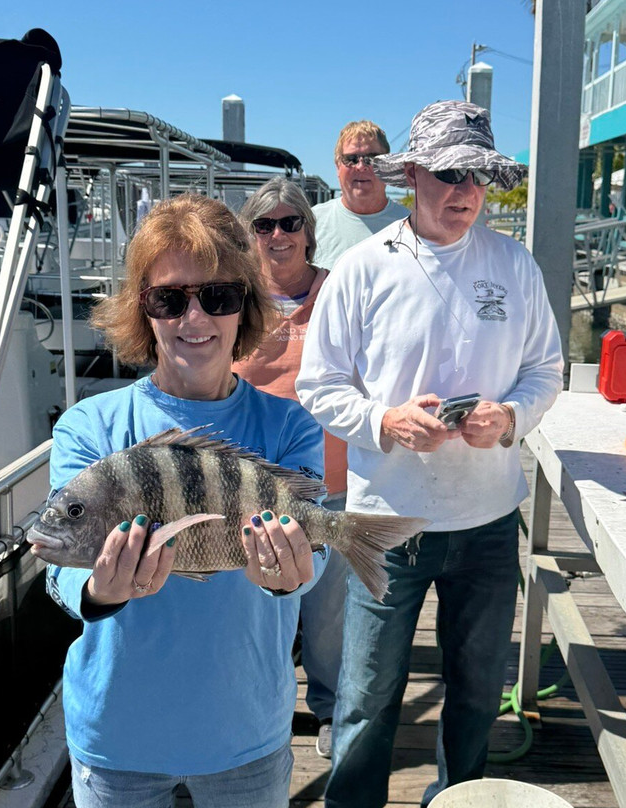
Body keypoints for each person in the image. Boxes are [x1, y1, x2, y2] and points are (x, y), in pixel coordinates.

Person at [295, 100, 565, 808]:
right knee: (364, 697)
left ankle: (459, 800)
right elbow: (317, 384)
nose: (465, 192)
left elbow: (546, 371)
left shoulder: (515, 264)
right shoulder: (360, 269)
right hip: (386, 527)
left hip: (487, 524)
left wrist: (508, 416)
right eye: (448, 173)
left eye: (478, 176)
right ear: (412, 174)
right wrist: (384, 422)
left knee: (477, 694)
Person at [42, 193, 326, 808]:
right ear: (142, 311)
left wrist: (290, 574)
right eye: (169, 299)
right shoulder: (89, 427)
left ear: (244, 307)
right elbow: (58, 567)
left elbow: (313, 562)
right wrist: (97, 590)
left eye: (218, 297)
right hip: (118, 739)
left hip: (246, 735)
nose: (193, 319)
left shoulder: (290, 428)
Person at [233, 176, 348, 759]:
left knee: (328, 613)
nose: (278, 235)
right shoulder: (231, 299)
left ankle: (330, 707)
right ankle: (258, 712)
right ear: (250, 236)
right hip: (247, 489)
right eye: (264, 224)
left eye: (290, 222)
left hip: (330, 479)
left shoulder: (340, 292)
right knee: (254, 608)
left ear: (309, 231)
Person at [312, 120, 409, 268]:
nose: (361, 166)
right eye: (351, 159)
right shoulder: (311, 223)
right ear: (338, 166)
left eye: (371, 159)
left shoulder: (412, 226)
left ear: (387, 166)